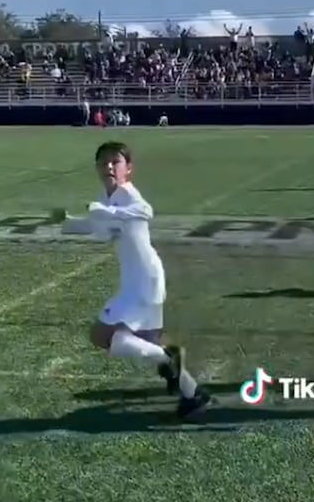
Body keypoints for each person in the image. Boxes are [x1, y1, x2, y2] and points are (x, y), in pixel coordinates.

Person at [58, 141, 209, 419]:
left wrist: (104, 212)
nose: (109, 167)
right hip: (143, 280)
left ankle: (170, 360)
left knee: (102, 334)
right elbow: (101, 228)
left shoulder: (126, 193)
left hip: (142, 282)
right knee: (150, 345)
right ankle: (193, 396)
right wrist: (69, 223)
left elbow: (145, 211)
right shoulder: (107, 198)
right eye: (103, 162)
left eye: (115, 162)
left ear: (128, 169)